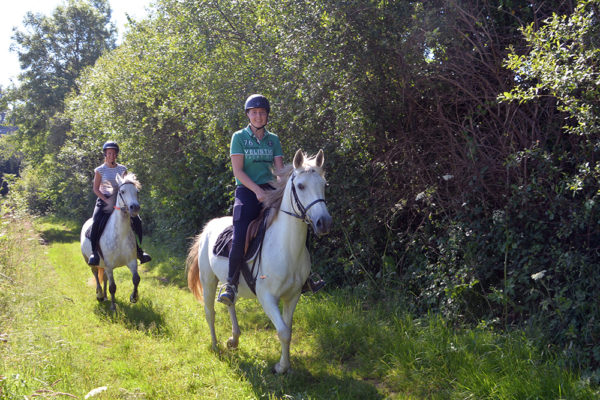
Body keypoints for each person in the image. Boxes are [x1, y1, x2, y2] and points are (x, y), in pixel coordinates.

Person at [217, 94, 324, 306]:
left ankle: (304, 277)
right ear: (248, 114)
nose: (258, 116)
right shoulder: (239, 137)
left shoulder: (273, 139)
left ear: (267, 116)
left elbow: (279, 171)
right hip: (247, 191)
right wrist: (257, 190)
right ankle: (230, 283)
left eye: (262, 113)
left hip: (272, 190)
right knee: (240, 230)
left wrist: (281, 189)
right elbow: (238, 171)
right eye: (254, 112)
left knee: (300, 221)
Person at [87, 141, 151, 266]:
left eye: (114, 153)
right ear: (105, 154)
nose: (112, 155)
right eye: (109, 153)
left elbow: (126, 186)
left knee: (137, 221)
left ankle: (139, 251)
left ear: (116, 155)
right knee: (96, 222)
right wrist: (105, 200)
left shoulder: (123, 169)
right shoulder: (99, 170)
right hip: (104, 200)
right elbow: (95, 189)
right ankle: (94, 253)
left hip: (121, 200)